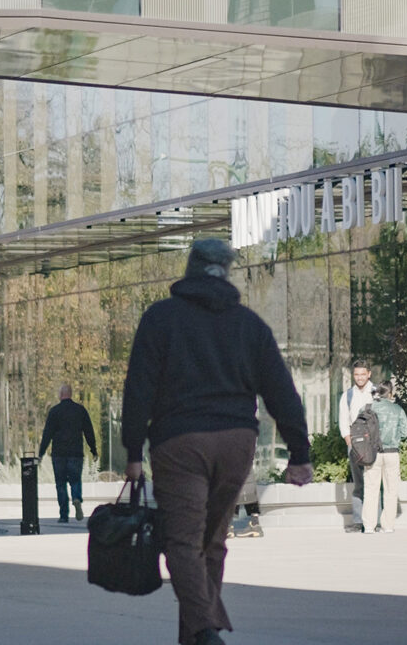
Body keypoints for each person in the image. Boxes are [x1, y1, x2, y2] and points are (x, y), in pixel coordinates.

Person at [121, 238, 313, 645]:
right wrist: (300, 453)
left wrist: (133, 450)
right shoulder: (250, 326)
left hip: (181, 443)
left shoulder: (160, 318)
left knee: (182, 543)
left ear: (190, 269)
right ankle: (194, 638)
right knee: (211, 542)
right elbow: (281, 392)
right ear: (226, 272)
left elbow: (138, 387)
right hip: (235, 443)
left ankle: (206, 631)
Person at [38, 384, 98, 523]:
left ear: (61, 394)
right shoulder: (80, 410)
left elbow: (47, 434)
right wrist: (93, 450)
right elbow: (89, 431)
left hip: (59, 453)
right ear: (71, 394)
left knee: (60, 483)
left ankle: (64, 515)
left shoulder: (54, 411)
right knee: (75, 480)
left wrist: (41, 453)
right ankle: (76, 498)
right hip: (76, 453)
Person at [360, 383, 407, 533]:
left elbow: (358, 427)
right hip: (391, 453)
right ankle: (387, 526)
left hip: (372, 453)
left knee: (370, 489)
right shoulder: (397, 409)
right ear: (390, 393)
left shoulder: (367, 408)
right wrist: (395, 437)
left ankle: (369, 526)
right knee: (391, 490)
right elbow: (406, 431)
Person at [337, 360, 377, 532]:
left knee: (375, 484)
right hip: (355, 445)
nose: (359, 378)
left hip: (373, 445)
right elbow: (343, 421)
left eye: (363, 374)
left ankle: (374, 521)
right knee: (359, 483)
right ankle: (358, 521)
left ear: (369, 374)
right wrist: (349, 442)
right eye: (356, 374)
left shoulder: (376, 393)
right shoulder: (348, 395)